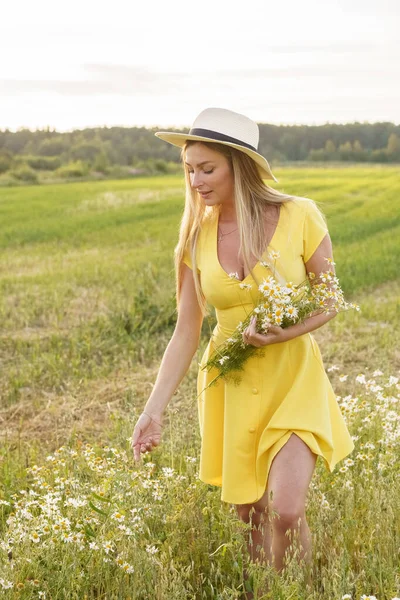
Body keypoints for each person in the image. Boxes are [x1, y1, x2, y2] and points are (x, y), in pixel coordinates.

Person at [130, 107, 354, 592]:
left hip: (292, 377)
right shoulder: (194, 238)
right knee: (249, 514)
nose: (195, 181)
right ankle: (268, 593)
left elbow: (331, 297)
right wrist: (154, 410)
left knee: (288, 509)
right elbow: (186, 331)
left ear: (239, 165)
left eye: (206, 168)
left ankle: (295, 591)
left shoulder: (299, 215)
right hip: (229, 383)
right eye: (189, 169)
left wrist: (285, 332)